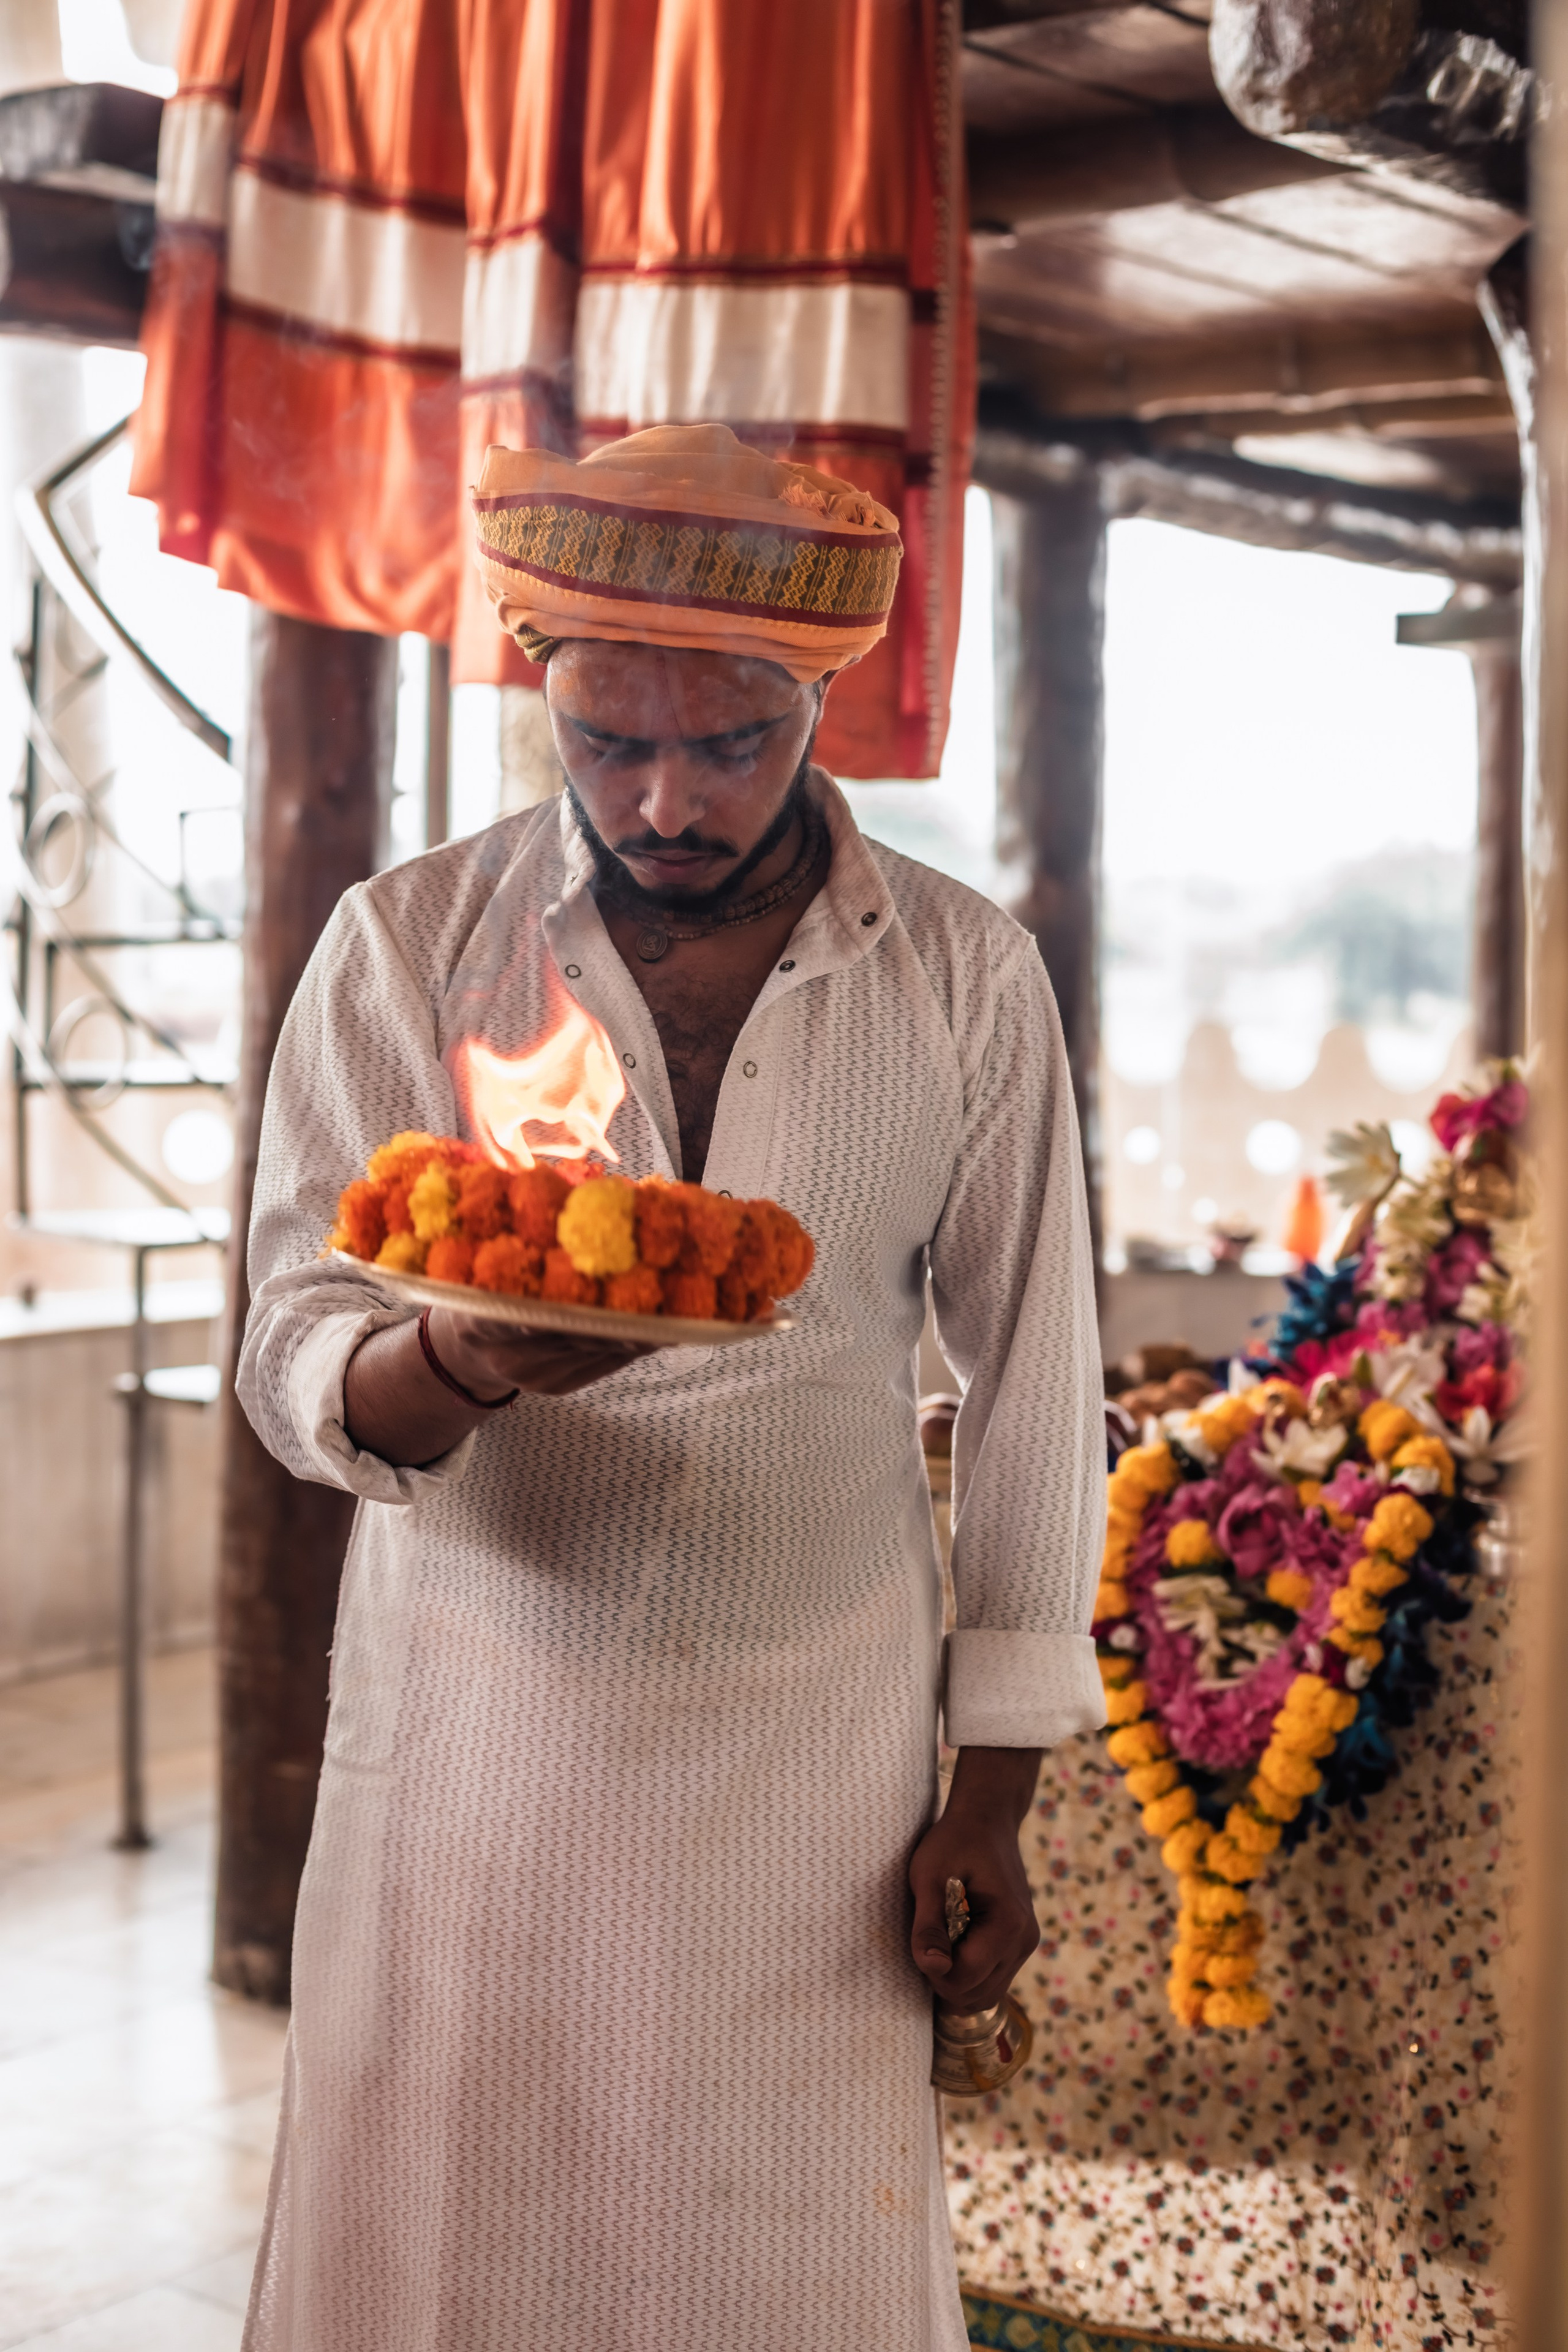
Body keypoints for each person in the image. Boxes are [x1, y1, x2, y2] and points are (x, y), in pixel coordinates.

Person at [237, 423, 1104, 2352]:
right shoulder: (406, 944)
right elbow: (292, 1352)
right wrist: (449, 1363)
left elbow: (1040, 1383)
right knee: (452, 2264)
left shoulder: (960, 981)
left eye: (730, 746)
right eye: (609, 742)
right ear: (544, 688)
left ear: (826, 699)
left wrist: (998, 1800)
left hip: (816, 1782)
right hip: (479, 1757)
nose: (665, 801)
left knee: (777, 2273)